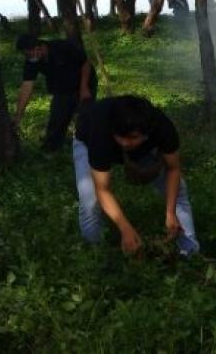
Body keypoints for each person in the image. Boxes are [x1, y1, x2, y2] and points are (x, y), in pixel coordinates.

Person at [73, 95, 200, 256]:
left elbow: (173, 169)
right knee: (90, 200)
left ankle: (189, 251)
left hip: (143, 148)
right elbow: (103, 189)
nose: (126, 143)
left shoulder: (162, 127)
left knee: (178, 192)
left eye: (132, 137)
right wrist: (125, 228)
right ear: (113, 129)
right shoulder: (100, 131)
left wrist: (170, 212)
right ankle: (96, 253)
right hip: (86, 140)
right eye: (121, 137)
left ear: (147, 133)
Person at [14, 34, 97, 152]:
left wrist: (84, 88)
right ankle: (51, 149)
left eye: (29, 53)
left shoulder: (63, 47)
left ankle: (89, 146)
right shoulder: (31, 62)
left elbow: (85, 64)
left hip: (84, 82)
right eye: (25, 55)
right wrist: (18, 115)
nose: (28, 57)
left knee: (84, 116)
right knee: (57, 117)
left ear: (39, 48)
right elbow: (27, 86)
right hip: (61, 89)